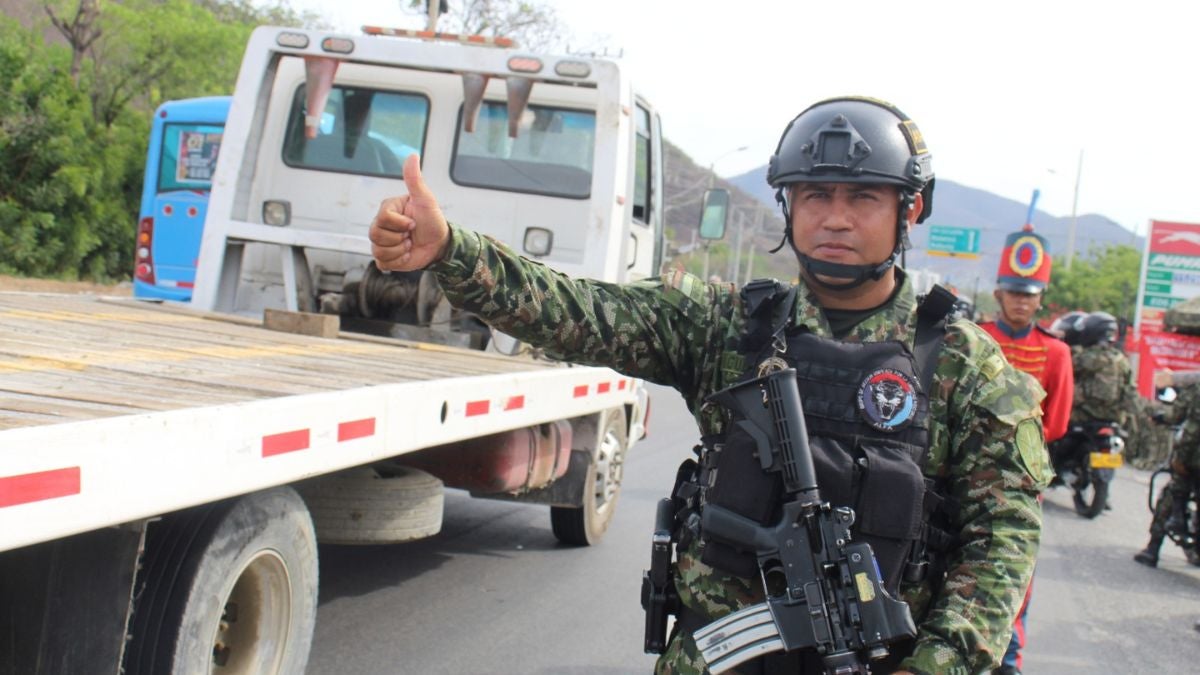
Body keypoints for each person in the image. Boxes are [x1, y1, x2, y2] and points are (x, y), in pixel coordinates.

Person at [368, 96, 1050, 674]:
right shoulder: (731, 325)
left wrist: (941, 662)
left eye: (863, 197)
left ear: (910, 208)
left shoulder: (964, 363)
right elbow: (577, 311)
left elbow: (1003, 540)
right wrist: (453, 252)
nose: (835, 217)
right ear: (789, 205)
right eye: (815, 195)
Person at [978, 227, 1073, 675]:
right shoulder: (974, 337)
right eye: (1014, 293)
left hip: (1020, 474)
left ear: (1041, 300)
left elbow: (1056, 422)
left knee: (1015, 568)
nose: (1021, 302)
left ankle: (1009, 656)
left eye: (1029, 295)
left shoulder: (1055, 353)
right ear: (999, 293)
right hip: (966, 470)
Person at [1134, 368, 1200, 567]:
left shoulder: (1196, 389)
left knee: (1171, 495)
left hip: (1192, 459)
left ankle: (1152, 549)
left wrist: (1159, 416)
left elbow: (1178, 417)